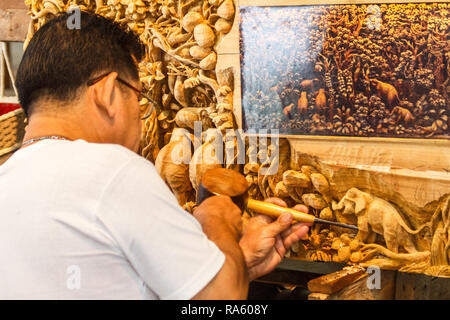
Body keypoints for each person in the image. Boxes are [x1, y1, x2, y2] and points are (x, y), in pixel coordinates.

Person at [0, 12, 310, 299]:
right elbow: (221, 299)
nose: (140, 115)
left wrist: (237, 262)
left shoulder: (7, 181)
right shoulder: (113, 171)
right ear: (108, 92)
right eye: (139, 97)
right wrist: (214, 216)